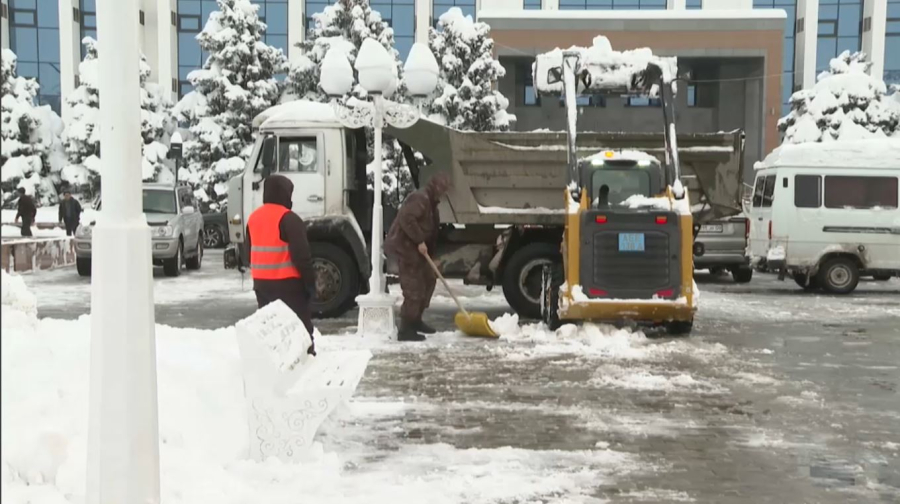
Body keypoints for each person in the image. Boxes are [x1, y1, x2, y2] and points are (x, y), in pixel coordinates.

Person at [243, 175, 318, 354]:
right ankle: (307, 359)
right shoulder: (289, 219)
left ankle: (276, 361)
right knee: (300, 327)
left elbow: (246, 255)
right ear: (285, 194)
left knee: (272, 328)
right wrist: (310, 284)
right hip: (289, 285)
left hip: (261, 285)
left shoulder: (253, 218)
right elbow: (302, 256)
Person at [385, 172, 452, 342]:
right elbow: (406, 219)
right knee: (413, 289)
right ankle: (405, 329)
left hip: (419, 252)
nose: (445, 194)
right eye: (443, 190)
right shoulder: (420, 199)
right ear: (437, 188)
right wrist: (419, 240)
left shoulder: (432, 204)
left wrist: (431, 253)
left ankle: (416, 321)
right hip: (406, 250)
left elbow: (433, 232)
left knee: (428, 282)